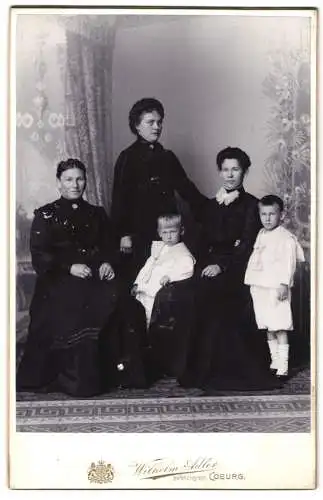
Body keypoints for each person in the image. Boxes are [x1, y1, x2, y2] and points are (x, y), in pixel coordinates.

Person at [180, 147, 281, 390]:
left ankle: (226, 373)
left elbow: (247, 245)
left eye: (235, 169)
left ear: (244, 172)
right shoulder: (211, 205)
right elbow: (201, 242)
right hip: (209, 266)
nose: (229, 175)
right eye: (225, 170)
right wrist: (206, 264)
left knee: (219, 297)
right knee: (192, 292)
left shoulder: (252, 205)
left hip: (238, 268)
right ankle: (199, 370)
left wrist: (222, 265)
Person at [16, 159, 119, 397]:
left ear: (86, 182)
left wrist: (106, 262)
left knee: (115, 299)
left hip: (93, 276)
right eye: (69, 179)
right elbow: (40, 254)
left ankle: (110, 374)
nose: (75, 184)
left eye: (80, 179)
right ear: (59, 183)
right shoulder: (46, 214)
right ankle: (75, 381)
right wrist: (69, 267)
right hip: (58, 279)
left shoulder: (96, 213)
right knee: (74, 300)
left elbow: (109, 246)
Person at [111, 97, 205, 281]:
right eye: (150, 122)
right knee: (142, 282)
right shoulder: (127, 158)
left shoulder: (167, 157)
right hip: (139, 235)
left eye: (159, 122)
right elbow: (119, 199)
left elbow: (188, 190)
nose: (157, 127)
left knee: (166, 280)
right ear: (137, 126)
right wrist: (123, 234)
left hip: (167, 232)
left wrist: (212, 208)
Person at [244, 195, 305, 378]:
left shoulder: (286, 238)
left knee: (279, 325)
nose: (267, 218)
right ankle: (275, 360)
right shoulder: (261, 234)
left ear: (282, 215)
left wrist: (284, 284)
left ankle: (284, 365)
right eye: (264, 214)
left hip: (276, 286)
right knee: (267, 325)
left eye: (272, 214)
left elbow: (288, 264)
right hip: (261, 285)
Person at [132, 213, 195, 327]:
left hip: (159, 289)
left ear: (181, 231)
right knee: (139, 311)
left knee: (151, 314)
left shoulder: (182, 253)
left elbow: (187, 268)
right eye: (165, 232)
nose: (169, 236)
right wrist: (137, 282)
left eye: (173, 232)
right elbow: (147, 267)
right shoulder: (159, 248)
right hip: (146, 285)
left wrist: (170, 276)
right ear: (160, 233)